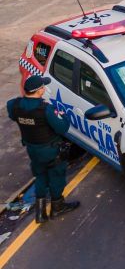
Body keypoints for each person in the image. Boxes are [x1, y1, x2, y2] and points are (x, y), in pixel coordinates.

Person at [7, 75, 80, 223]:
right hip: (51, 151)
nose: (44, 89)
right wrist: (63, 116)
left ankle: (40, 213)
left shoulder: (14, 105)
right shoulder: (46, 109)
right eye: (43, 87)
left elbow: (13, 116)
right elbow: (62, 128)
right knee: (56, 177)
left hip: (32, 149)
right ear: (39, 90)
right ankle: (57, 207)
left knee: (40, 176)